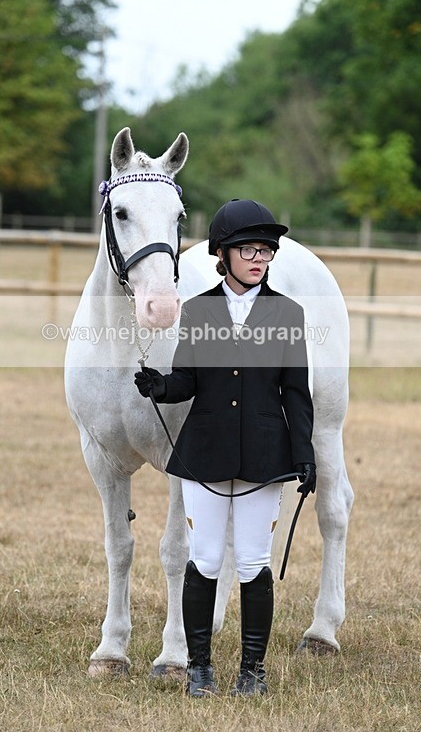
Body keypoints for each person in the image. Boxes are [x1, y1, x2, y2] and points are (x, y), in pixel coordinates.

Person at [134, 199, 316, 698]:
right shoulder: (198, 311)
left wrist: (305, 454)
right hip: (206, 451)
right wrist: (159, 386)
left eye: (267, 251)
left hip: (264, 452)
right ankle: (200, 669)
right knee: (206, 559)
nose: (260, 259)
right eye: (250, 250)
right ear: (223, 253)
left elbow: (295, 392)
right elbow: (189, 380)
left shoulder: (288, 313)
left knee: (254, 562)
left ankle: (252, 672)